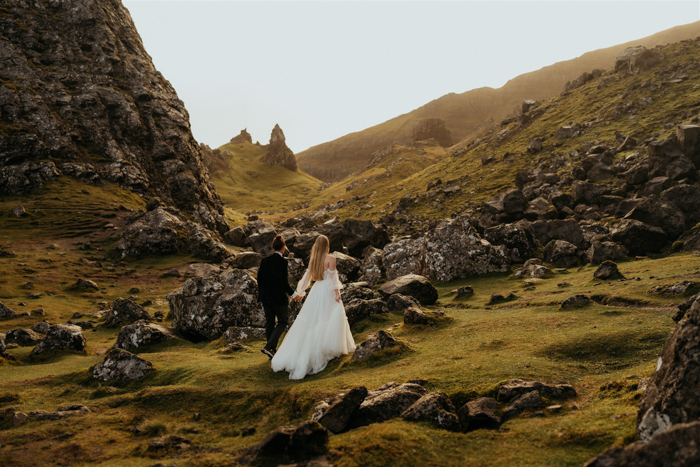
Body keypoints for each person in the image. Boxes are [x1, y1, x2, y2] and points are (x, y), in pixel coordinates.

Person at [271, 235, 356, 380]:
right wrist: (336, 294)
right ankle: (328, 348)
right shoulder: (331, 259)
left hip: (316, 291)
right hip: (327, 291)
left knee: (312, 321)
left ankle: (307, 352)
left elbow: (307, 278)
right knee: (330, 317)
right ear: (327, 245)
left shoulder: (313, 259)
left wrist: (300, 292)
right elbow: (333, 279)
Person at [257, 235, 302, 359]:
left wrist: (263, 293)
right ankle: (269, 346)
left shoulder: (265, 261)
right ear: (283, 247)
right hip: (278, 298)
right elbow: (283, 283)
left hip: (265, 297)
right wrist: (294, 295)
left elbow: (259, 279)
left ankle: (271, 352)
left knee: (270, 323)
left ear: (273, 247)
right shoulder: (282, 262)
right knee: (283, 321)